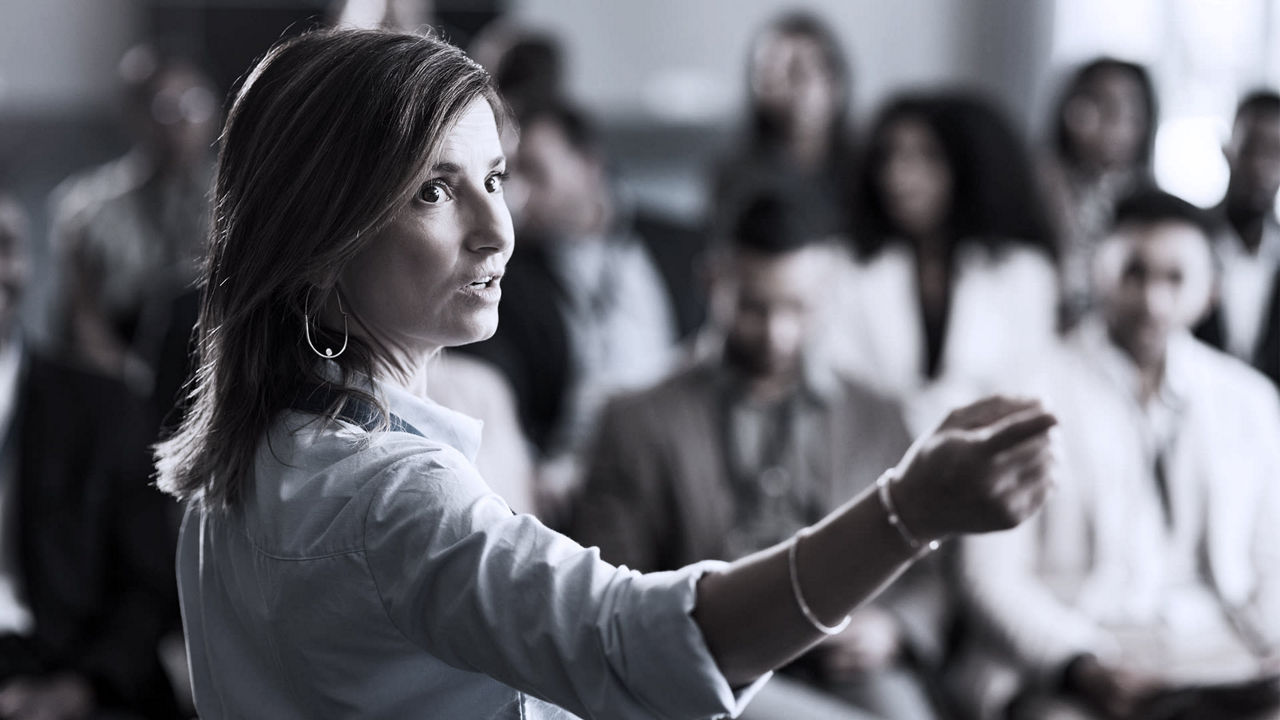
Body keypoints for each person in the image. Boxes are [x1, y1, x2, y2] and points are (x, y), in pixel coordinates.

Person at [155, 29, 1057, 719]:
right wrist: (908, 512)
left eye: (496, 178)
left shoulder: (242, 465)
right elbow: (653, 643)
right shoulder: (391, 498)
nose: (496, 228)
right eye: (433, 190)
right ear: (316, 247)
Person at [574, 190, 948, 720]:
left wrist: (895, 628)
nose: (777, 333)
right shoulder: (636, 419)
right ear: (714, 282)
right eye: (753, 307)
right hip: (710, 664)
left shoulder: (879, 414)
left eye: (798, 308)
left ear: (831, 292)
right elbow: (609, 586)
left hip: (845, 657)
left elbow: (927, 568)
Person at [956, 190, 1280, 720]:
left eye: (1176, 279)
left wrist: (1269, 647)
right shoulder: (1023, 390)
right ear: (1096, 272)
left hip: (1217, 653)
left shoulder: (1249, 401)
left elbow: (1272, 558)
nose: (1153, 301)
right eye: (1134, 273)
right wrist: (1078, 662)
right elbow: (990, 575)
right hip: (1075, 653)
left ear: (1211, 291)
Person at [0, 195, 180, 719]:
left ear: (29, 264)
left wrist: (73, 691)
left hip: (81, 679)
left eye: (5, 246)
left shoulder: (104, 405)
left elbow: (150, 586)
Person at [460, 99, 679, 522]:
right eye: (507, 177)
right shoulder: (508, 273)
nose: (518, 196)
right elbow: (500, 389)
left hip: (676, 446)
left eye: (536, 172)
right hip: (578, 473)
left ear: (589, 165)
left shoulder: (677, 245)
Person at [834, 92, 1060, 433]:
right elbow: (841, 383)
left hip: (992, 465)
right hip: (874, 469)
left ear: (967, 166)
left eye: (926, 157)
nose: (899, 176)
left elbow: (1028, 392)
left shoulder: (1024, 274)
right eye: (889, 157)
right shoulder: (851, 268)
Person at [49, 43, 218, 391]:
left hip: (214, 371)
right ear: (137, 115)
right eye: (166, 108)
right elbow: (82, 319)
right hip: (124, 377)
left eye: (194, 104)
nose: (183, 121)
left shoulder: (233, 198)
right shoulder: (90, 207)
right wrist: (132, 382)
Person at [708, 10, 854, 244]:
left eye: (798, 71)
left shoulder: (867, 164)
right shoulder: (734, 172)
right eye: (769, 71)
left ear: (834, 78)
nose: (783, 86)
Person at [1040, 58, 1158, 329]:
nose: (1112, 122)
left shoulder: (1152, 205)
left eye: (1126, 109)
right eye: (1097, 104)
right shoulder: (1036, 183)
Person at [1194, 90, 1280, 389]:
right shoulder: (1190, 238)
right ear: (1227, 149)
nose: (1261, 166)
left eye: (1276, 153)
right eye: (1251, 148)